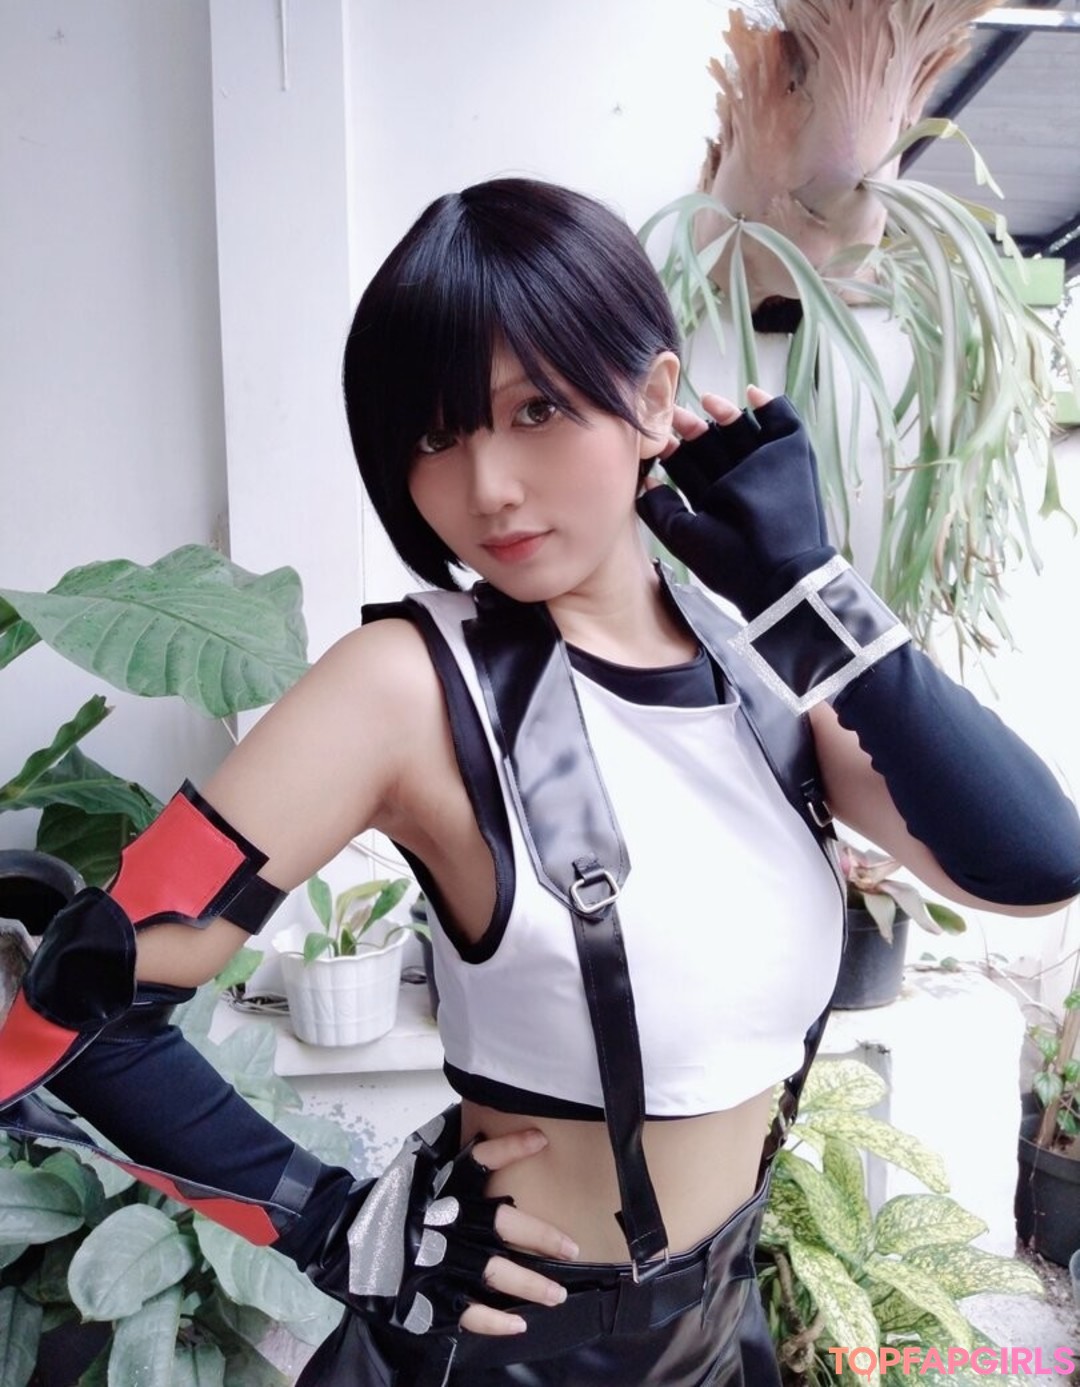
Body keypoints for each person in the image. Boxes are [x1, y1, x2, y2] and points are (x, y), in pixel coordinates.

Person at [2, 177, 1079, 1387]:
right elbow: (75, 1005)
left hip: (720, 1336)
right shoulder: (408, 685)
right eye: (434, 435)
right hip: (503, 1357)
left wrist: (810, 585)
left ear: (654, 400)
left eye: (539, 408)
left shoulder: (757, 668)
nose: (488, 487)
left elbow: (1035, 860)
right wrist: (330, 1222)